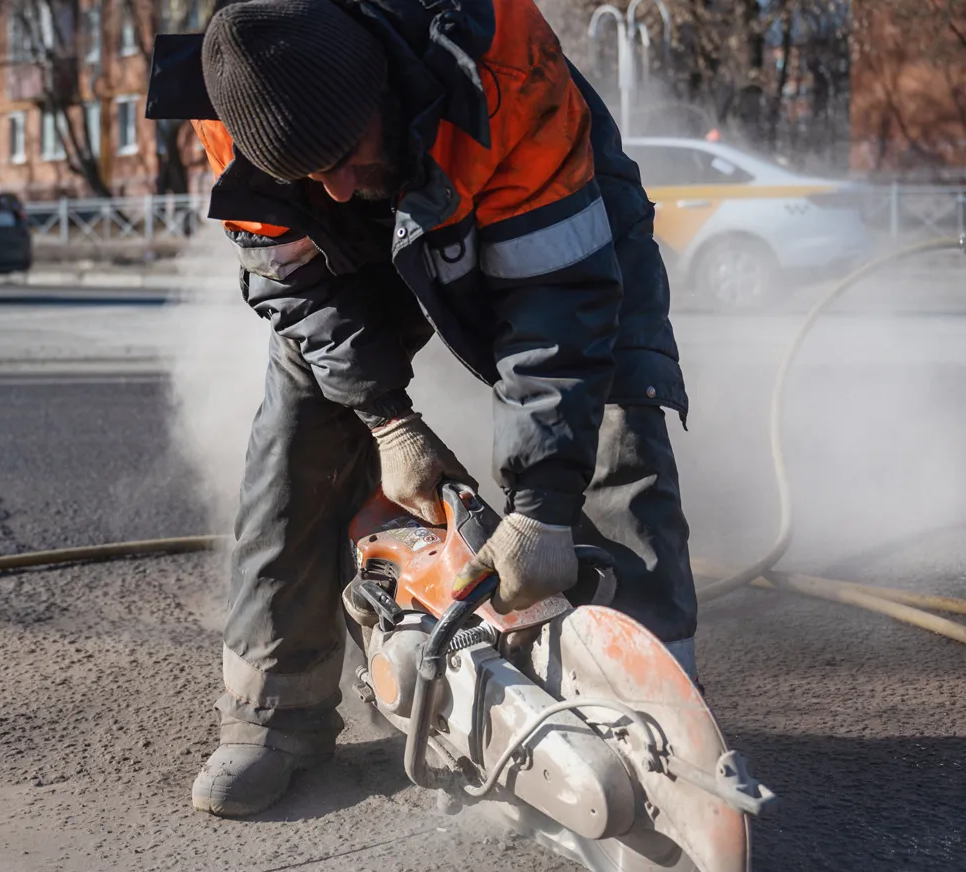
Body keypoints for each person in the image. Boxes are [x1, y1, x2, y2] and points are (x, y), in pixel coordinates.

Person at [146, 0, 695, 817]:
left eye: (339, 154)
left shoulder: (508, 71)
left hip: (521, 168)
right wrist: (387, 421)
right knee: (299, 419)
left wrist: (543, 507)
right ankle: (274, 714)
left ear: (378, 89)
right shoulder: (236, 98)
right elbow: (295, 287)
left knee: (616, 393)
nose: (332, 184)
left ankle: (660, 719)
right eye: (307, 172)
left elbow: (560, 308)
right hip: (351, 233)